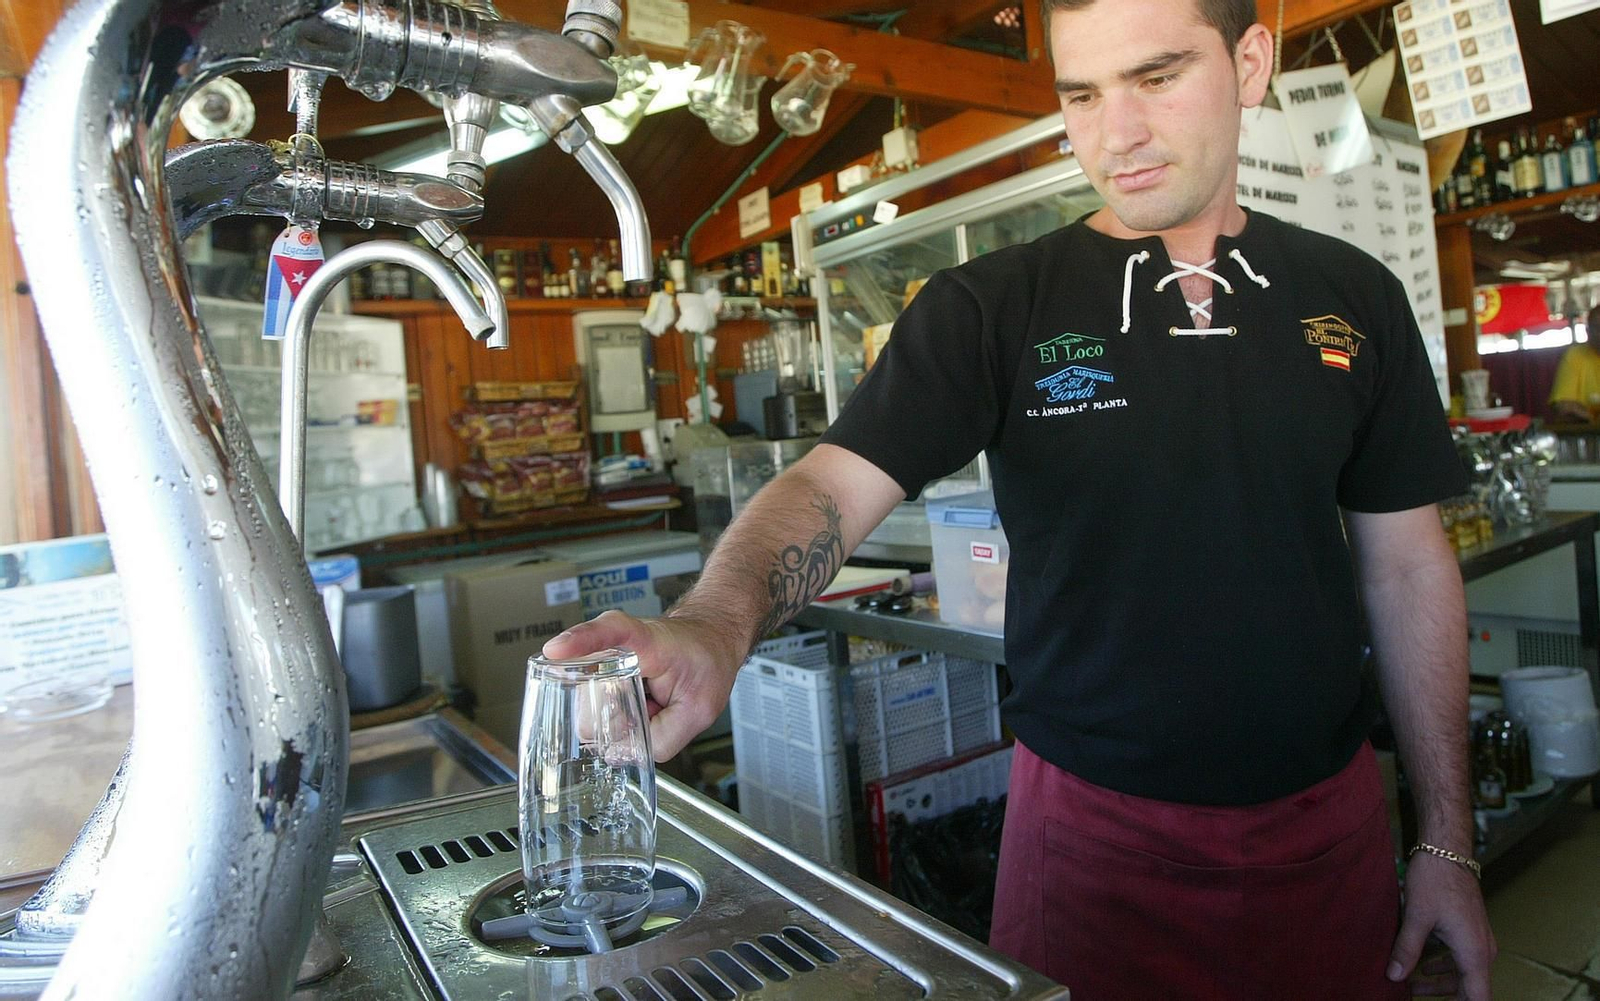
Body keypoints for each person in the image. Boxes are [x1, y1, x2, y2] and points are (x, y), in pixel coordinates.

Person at [543, 0, 1496, 996]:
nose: (1113, 132)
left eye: (1156, 77)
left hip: (1328, 826)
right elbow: (829, 483)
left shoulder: (1354, 296)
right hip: (1094, 844)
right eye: (1080, 94)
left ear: (1249, 63)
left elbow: (1405, 564)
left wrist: (1447, 841)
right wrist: (712, 622)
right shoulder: (990, 307)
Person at [1548, 305, 1600, 422]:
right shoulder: (1575, 356)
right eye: (1598, 328)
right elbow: (1564, 406)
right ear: (1588, 332)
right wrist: (1594, 418)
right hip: (1587, 433)